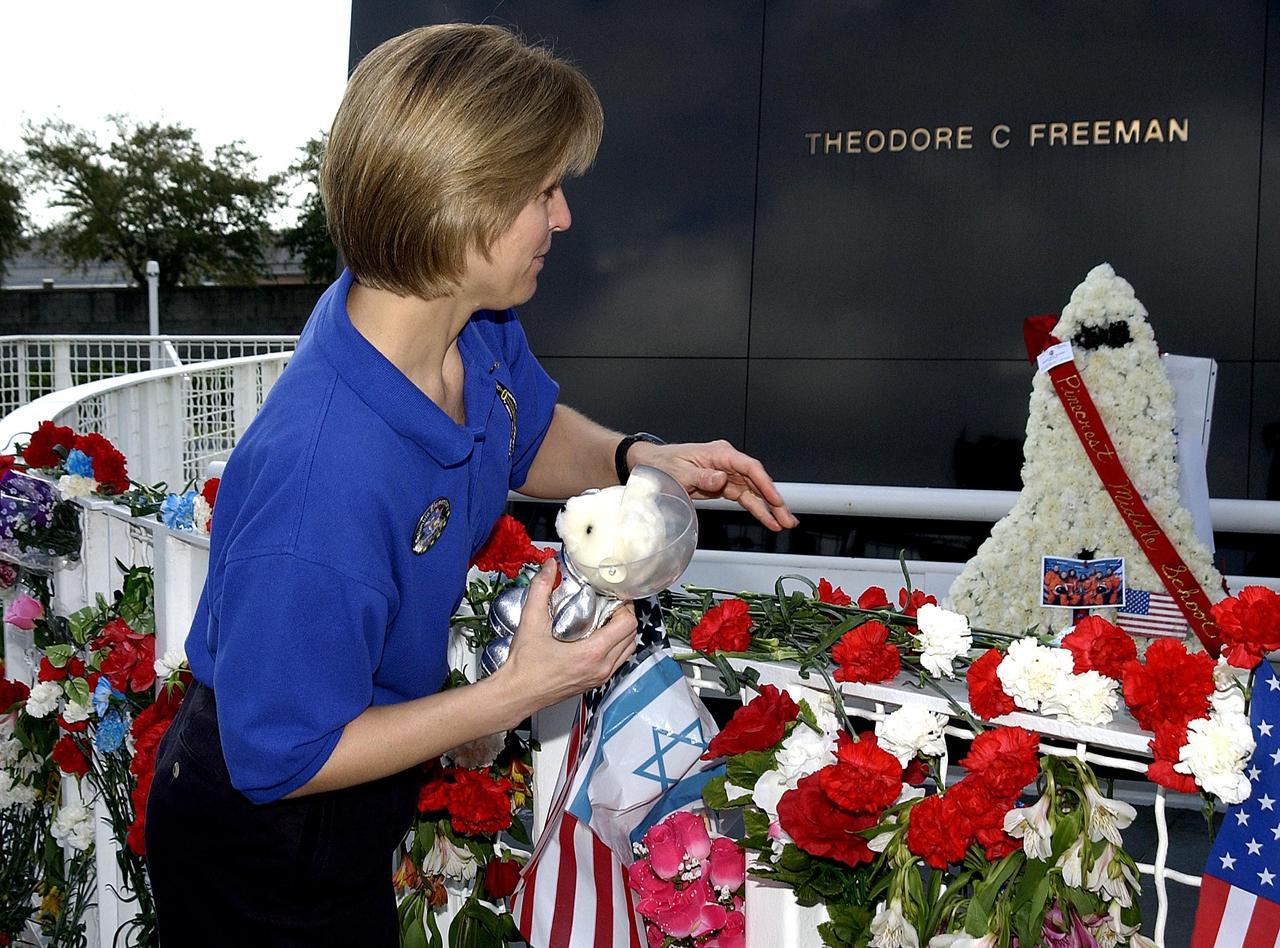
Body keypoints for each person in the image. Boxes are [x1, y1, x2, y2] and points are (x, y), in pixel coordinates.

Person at [144, 22, 797, 946]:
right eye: (542, 190)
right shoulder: (319, 474)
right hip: (263, 845)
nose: (563, 217)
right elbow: (275, 756)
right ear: (459, 207)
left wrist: (635, 458)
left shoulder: (469, 329)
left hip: (353, 796)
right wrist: (513, 694)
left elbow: (524, 435)